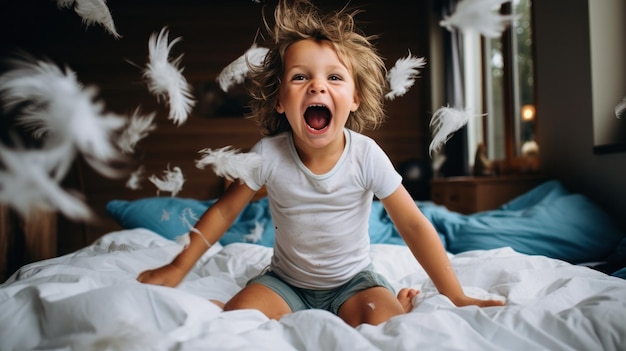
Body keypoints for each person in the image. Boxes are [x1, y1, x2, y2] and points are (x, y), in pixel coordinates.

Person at [138, 0, 504, 327]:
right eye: (300, 77)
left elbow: (412, 224)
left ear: (355, 97)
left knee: (387, 325)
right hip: (284, 283)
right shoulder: (267, 154)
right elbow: (222, 213)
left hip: (356, 283)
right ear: (280, 100)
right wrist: (176, 268)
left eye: (333, 77)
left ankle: (400, 304)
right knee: (237, 318)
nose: (317, 87)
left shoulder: (366, 155)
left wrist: (456, 295)